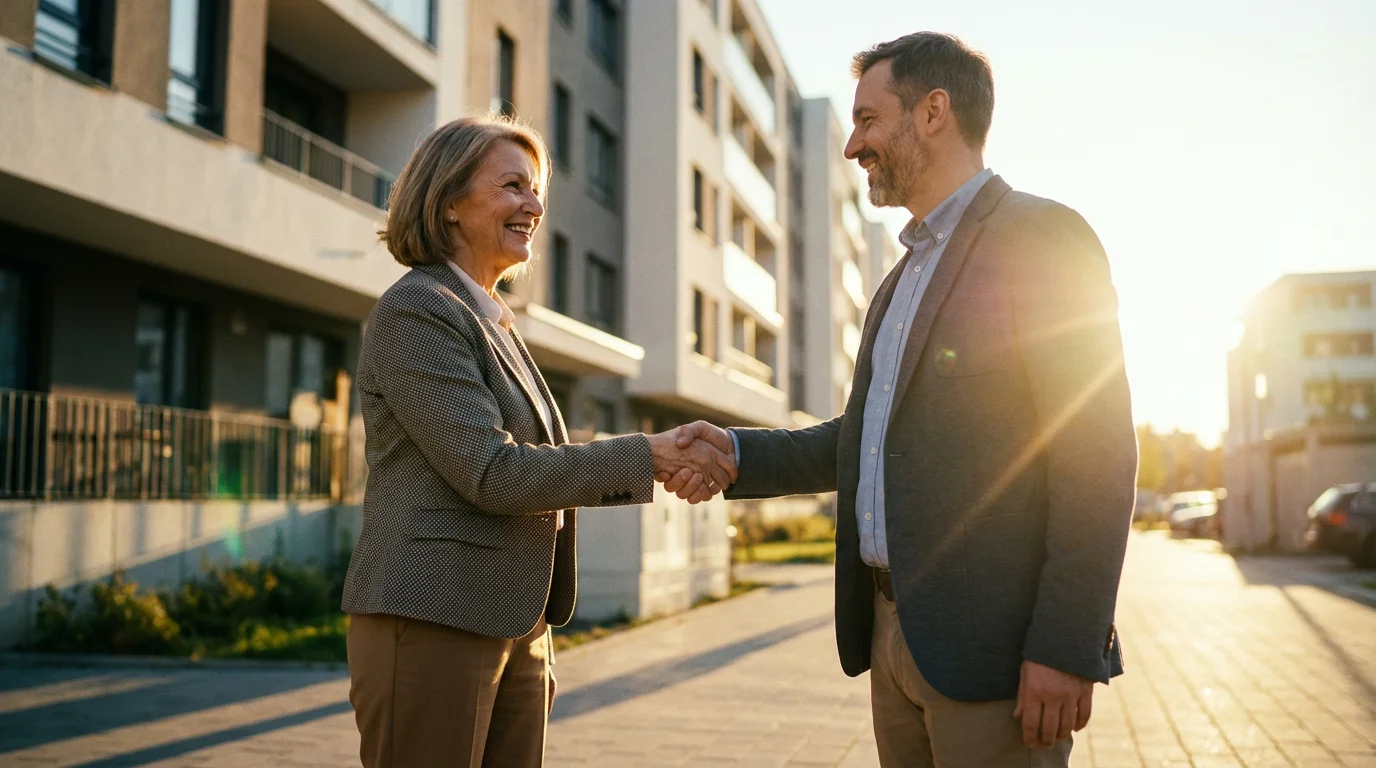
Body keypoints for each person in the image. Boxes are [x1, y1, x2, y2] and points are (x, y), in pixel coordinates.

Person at [668, 32, 1138, 767]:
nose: (854, 147)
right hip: (893, 637)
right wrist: (737, 453)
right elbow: (866, 438)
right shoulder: (902, 274)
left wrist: (1066, 644)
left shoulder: (1042, 237)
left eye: (867, 120)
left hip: (993, 654)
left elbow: (1097, 453)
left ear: (933, 112)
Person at [342, 115, 732, 768]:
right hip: (434, 616)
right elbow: (491, 472)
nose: (534, 204)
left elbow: (532, 457)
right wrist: (649, 454)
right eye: (512, 185)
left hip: (515, 621)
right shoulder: (417, 309)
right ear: (450, 204)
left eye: (537, 188)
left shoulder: (494, 320)